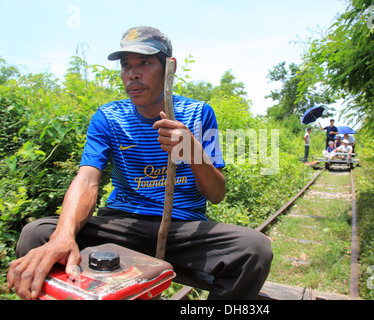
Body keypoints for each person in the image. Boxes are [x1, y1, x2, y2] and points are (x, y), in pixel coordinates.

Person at [7, 26, 272, 300]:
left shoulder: (198, 113)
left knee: (254, 248)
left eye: (144, 63)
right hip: (122, 227)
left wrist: (194, 152)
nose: (132, 73)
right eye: (126, 65)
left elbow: (217, 194)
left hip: (184, 232)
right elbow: (87, 179)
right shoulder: (109, 117)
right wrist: (64, 234)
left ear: (170, 67)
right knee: (36, 234)